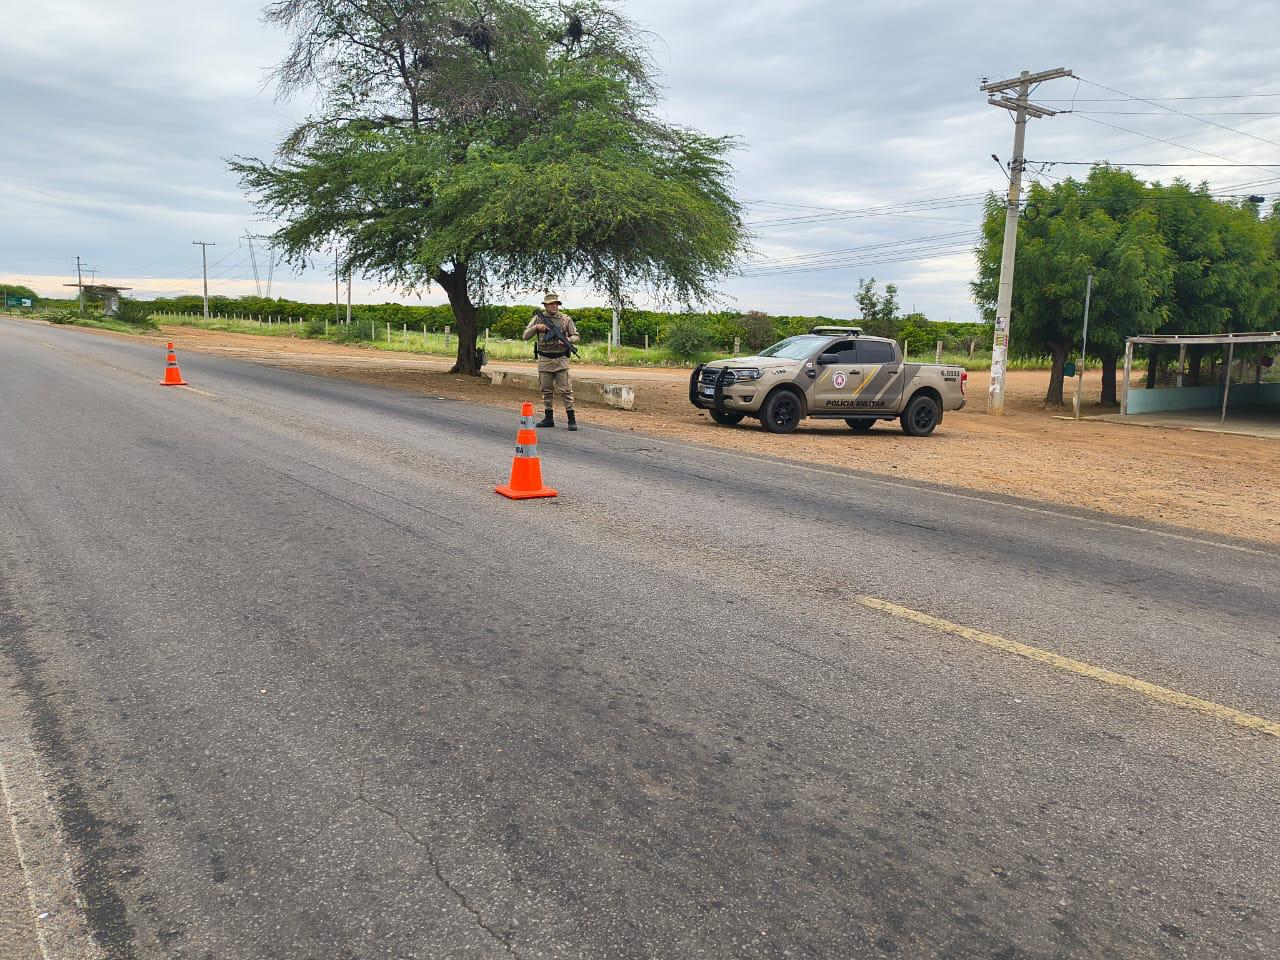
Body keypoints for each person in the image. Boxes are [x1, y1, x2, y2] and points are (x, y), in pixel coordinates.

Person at [522, 292, 581, 430]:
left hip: (561, 359)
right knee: (546, 390)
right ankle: (548, 418)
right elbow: (525, 336)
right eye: (551, 303)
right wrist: (537, 327)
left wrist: (568, 340)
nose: (554, 306)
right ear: (546, 305)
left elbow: (576, 336)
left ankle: (571, 419)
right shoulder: (538, 318)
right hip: (545, 359)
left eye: (556, 303)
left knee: (566, 390)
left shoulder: (566, 319)